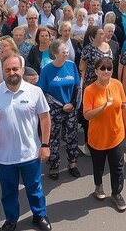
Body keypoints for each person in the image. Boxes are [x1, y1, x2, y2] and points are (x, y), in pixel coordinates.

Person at [0, 54, 52, 231]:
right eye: (7, 69)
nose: (12, 72)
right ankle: (11, 219)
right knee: (8, 193)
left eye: (15, 69)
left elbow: (45, 118)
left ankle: (39, 215)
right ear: (2, 71)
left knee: (35, 188)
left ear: (22, 69)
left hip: (31, 154)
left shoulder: (35, 91)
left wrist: (45, 144)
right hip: (5, 158)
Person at [83, 56, 126, 212]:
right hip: (97, 137)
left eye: (109, 68)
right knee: (98, 165)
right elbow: (87, 115)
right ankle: (98, 186)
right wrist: (103, 107)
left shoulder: (117, 84)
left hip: (117, 135)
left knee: (117, 166)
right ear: (96, 71)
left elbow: (124, 108)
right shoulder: (89, 90)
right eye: (102, 68)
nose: (106, 71)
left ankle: (116, 193)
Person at [37, 39, 81, 180]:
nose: (66, 53)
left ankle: (72, 163)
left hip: (71, 108)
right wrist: (57, 106)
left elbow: (77, 87)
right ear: (55, 54)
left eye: (67, 51)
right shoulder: (47, 70)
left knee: (72, 136)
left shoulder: (71, 65)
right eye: (63, 51)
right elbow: (41, 91)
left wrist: (73, 104)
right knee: (53, 137)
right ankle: (54, 165)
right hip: (54, 110)